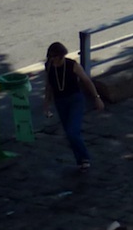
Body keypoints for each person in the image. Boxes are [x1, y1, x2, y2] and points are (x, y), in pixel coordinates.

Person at [42, 42, 104, 171]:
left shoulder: (72, 65)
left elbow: (86, 81)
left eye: (55, 57)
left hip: (75, 100)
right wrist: (46, 103)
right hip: (60, 101)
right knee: (69, 133)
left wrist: (96, 97)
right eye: (51, 57)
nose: (53, 59)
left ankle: (85, 157)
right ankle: (80, 160)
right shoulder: (49, 67)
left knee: (72, 131)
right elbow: (49, 85)